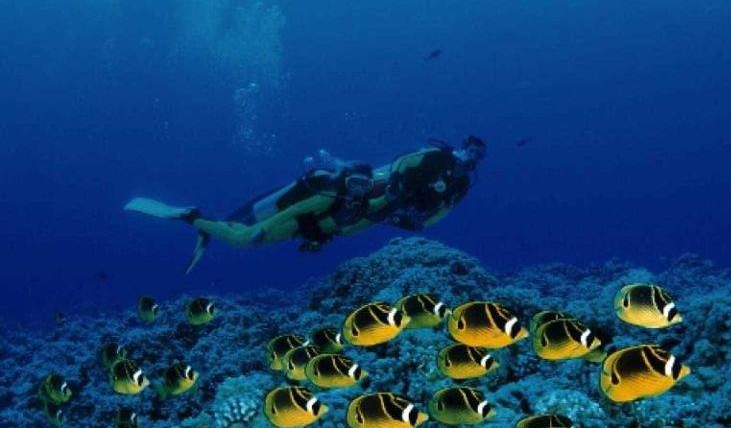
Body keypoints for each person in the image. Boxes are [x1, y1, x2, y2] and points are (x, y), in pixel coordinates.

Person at [124, 136, 486, 272]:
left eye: (475, 157)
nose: (469, 159)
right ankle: (191, 217)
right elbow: (405, 165)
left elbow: (342, 228)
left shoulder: (381, 211)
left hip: (313, 226)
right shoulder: (357, 190)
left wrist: (318, 238)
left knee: (249, 239)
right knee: (246, 238)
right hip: (305, 214)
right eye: (468, 151)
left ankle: (204, 224)